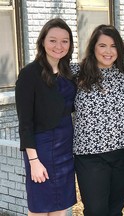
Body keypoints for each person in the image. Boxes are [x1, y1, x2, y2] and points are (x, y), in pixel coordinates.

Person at [15, 18, 77, 215]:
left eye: (65, 41)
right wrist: (33, 161)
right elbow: (25, 123)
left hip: (65, 150)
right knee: (40, 208)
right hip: (41, 151)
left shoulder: (69, 72)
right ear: (42, 41)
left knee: (61, 208)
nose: (59, 46)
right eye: (52, 40)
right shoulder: (29, 74)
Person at [72, 24, 124, 216]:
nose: (108, 51)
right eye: (102, 46)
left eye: (113, 46)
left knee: (115, 210)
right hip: (90, 155)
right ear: (93, 47)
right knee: (95, 210)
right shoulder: (76, 73)